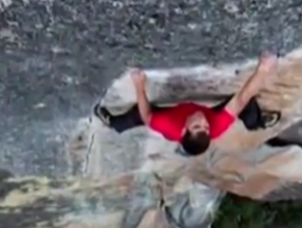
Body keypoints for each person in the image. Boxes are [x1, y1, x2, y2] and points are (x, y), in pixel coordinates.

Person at [93, 52, 282, 156]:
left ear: (185, 130)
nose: (202, 121)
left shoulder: (167, 124)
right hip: (189, 116)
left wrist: (139, 84)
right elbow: (241, 98)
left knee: (136, 114)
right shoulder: (215, 126)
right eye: (204, 127)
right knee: (246, 105)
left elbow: (146, 116)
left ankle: (114, 123)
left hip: (176, 116)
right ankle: (257, 122)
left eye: (197, 126)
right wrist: (263, 70)